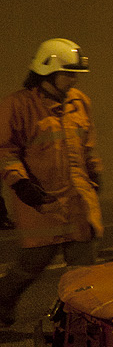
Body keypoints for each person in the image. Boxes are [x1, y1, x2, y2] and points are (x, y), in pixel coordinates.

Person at [0, 39, 102, 327]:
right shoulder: (17, 106)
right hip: (41, 202)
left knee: (84, 271)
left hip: (78, 201)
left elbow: (88, 144)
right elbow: (5, 151)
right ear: (47, 72)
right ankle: (2, 300)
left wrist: (95, 172)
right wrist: (20, 183)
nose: (74, 79)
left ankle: (78, 324)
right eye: (69, 73)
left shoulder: (80, 102)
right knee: (31, 266)